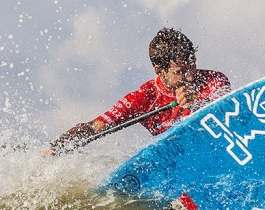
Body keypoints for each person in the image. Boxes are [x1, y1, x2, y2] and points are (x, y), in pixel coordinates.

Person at [48, 28, 231, 154]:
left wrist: (199, 103)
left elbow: (231, 114)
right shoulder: (145, 98)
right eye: (180, 72)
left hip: (221, 148)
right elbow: (95, 127)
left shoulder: (214, 80)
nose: (191, 76)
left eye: (193, 65)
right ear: (159, 71)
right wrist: (52, 149)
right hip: (179, 161)